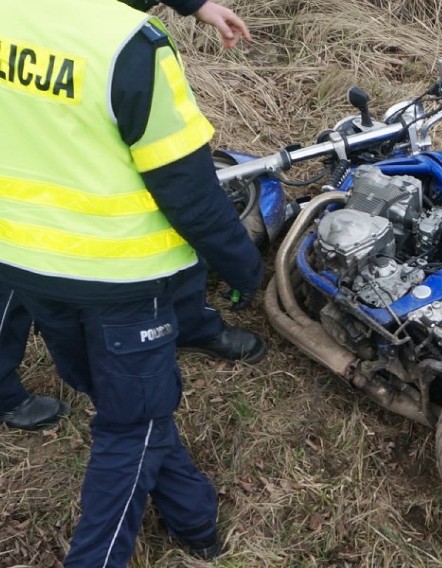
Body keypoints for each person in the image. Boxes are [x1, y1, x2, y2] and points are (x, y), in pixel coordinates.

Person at [0, 0, 262, 563]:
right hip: (122, 279)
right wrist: (243, 266)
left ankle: (196, 520)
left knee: (133, 408)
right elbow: (188, 187)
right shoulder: (129, 44)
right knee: (131, 426)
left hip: (26, 263)